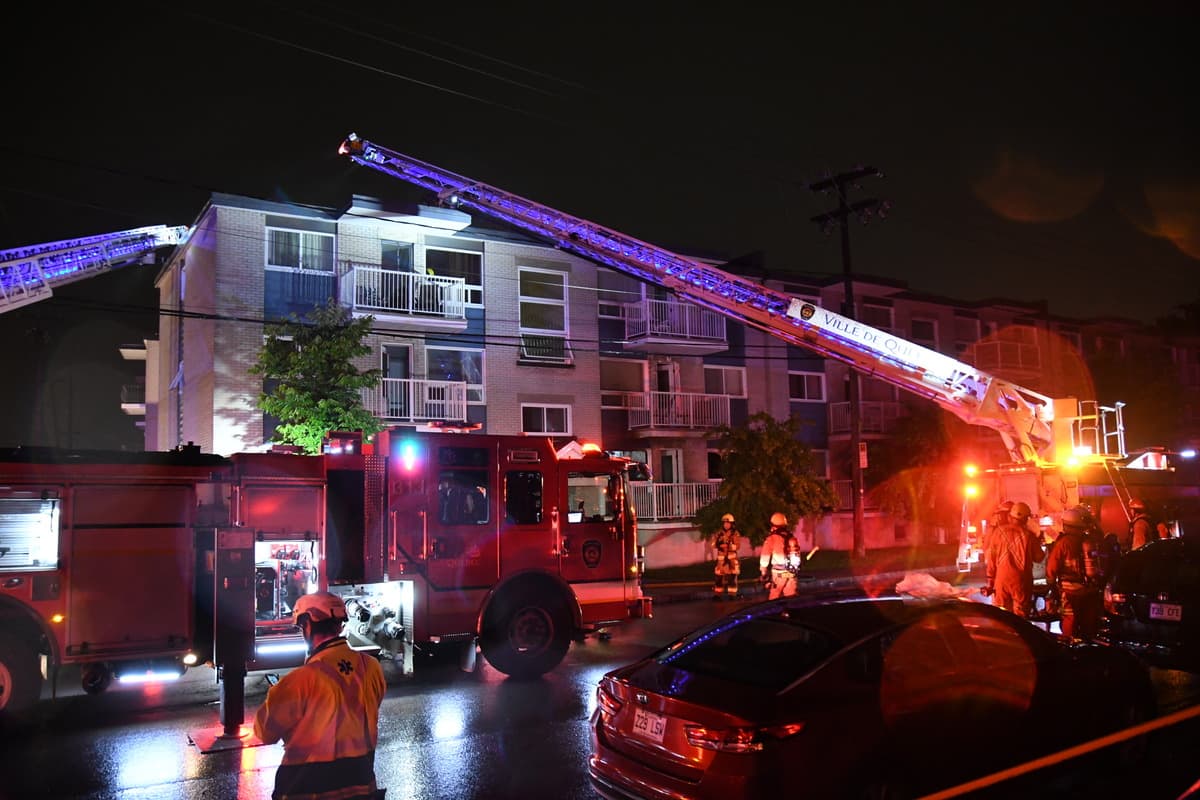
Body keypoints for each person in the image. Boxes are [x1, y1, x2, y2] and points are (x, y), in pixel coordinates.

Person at [254, 591, 387, 800]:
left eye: (301, 627)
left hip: (306, 791)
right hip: (362, 789)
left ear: (307, 625)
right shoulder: (371, 667)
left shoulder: (299, 681)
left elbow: (264, 732)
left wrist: (275, 695)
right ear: (340, 625)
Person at [1045, 506, 1106, 641]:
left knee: (1069, 619)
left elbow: (1051, 568)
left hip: (1070, 591)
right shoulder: (1089, 540)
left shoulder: (1063, 543)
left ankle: (1069, 645)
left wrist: (1050, 588)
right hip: (1089, 589)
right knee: (1087, 622)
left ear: (1066, 525)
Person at [983, 501, 1045, 617]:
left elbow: (991, 558)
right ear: (1026, 519)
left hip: (1001, 580)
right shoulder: (1029, 536)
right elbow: (1039, 557)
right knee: (1020, 618)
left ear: (1010, 517)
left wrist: (990, 580)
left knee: (1002, 617)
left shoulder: (998, 532)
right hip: (1021, 581)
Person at [759, 512, 802, 600]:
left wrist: (763, 572)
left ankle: (774, 610)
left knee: (774, 597)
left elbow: (765, 556)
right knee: (791, 597)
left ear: (773, 525)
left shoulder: (772, 538)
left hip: (778, 573)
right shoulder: (791, 537)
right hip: (792, 572)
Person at [711, 512, 743, 600]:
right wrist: (719, 544)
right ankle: (717, 595)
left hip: (731, 561)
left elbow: (737, 546)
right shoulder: (719, 533)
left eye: (728, 523)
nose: (726, 525)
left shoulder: (735, 534)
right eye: (725, 523)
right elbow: (713, 544)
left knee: (732, 578)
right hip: (721, 562)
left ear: (732, 524)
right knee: (718, 579)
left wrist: (729, 546)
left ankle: (732, 595)